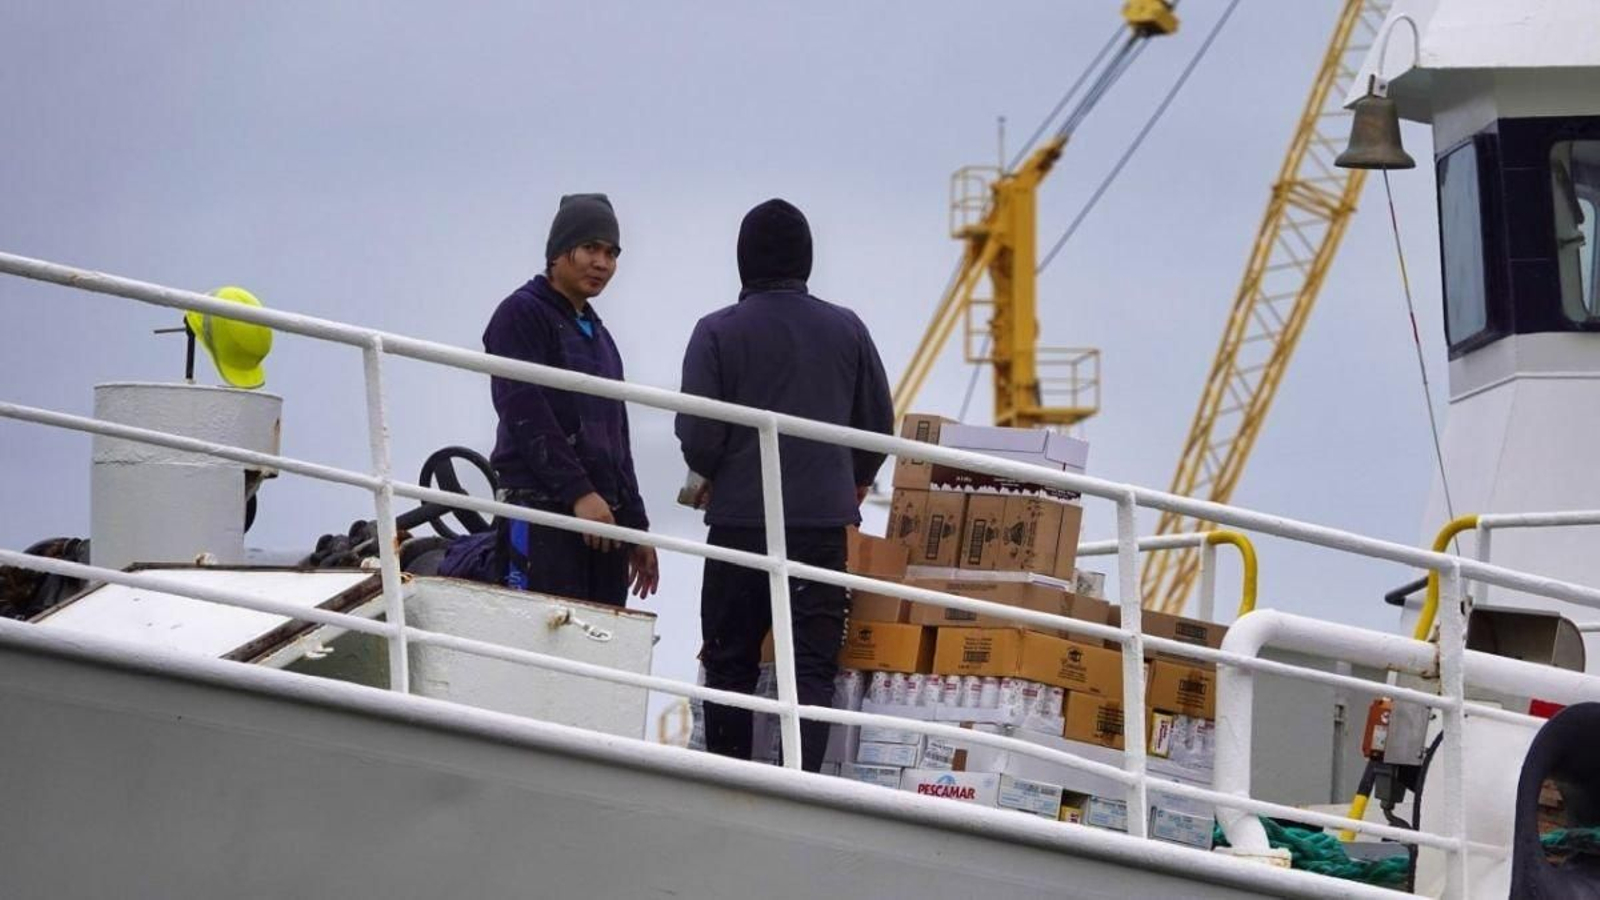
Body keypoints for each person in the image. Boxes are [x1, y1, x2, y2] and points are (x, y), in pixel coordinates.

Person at [676, 198, 894, 771]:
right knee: (813, 667)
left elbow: (699, 434)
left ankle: (726, 775)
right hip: (822, 526)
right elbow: (877, 423)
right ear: (807, 258)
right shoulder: (847, 328)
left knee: (730, 661)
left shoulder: (716, 331)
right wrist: (855, 482)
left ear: (743, 258)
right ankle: (802, 780)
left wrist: (714, 470)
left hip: (742, 522)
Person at [483, 193, 658, 606]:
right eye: (590, 248)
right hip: (541, 512)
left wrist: (635, 527)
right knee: (537, 645)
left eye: (612, 253)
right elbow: (524, 411)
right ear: (559, 252)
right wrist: (579, 492)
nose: (602, 263)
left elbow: (618, 439)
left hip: (602, 525)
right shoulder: (520, 314)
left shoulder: (599, 336)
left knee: (601, 655)